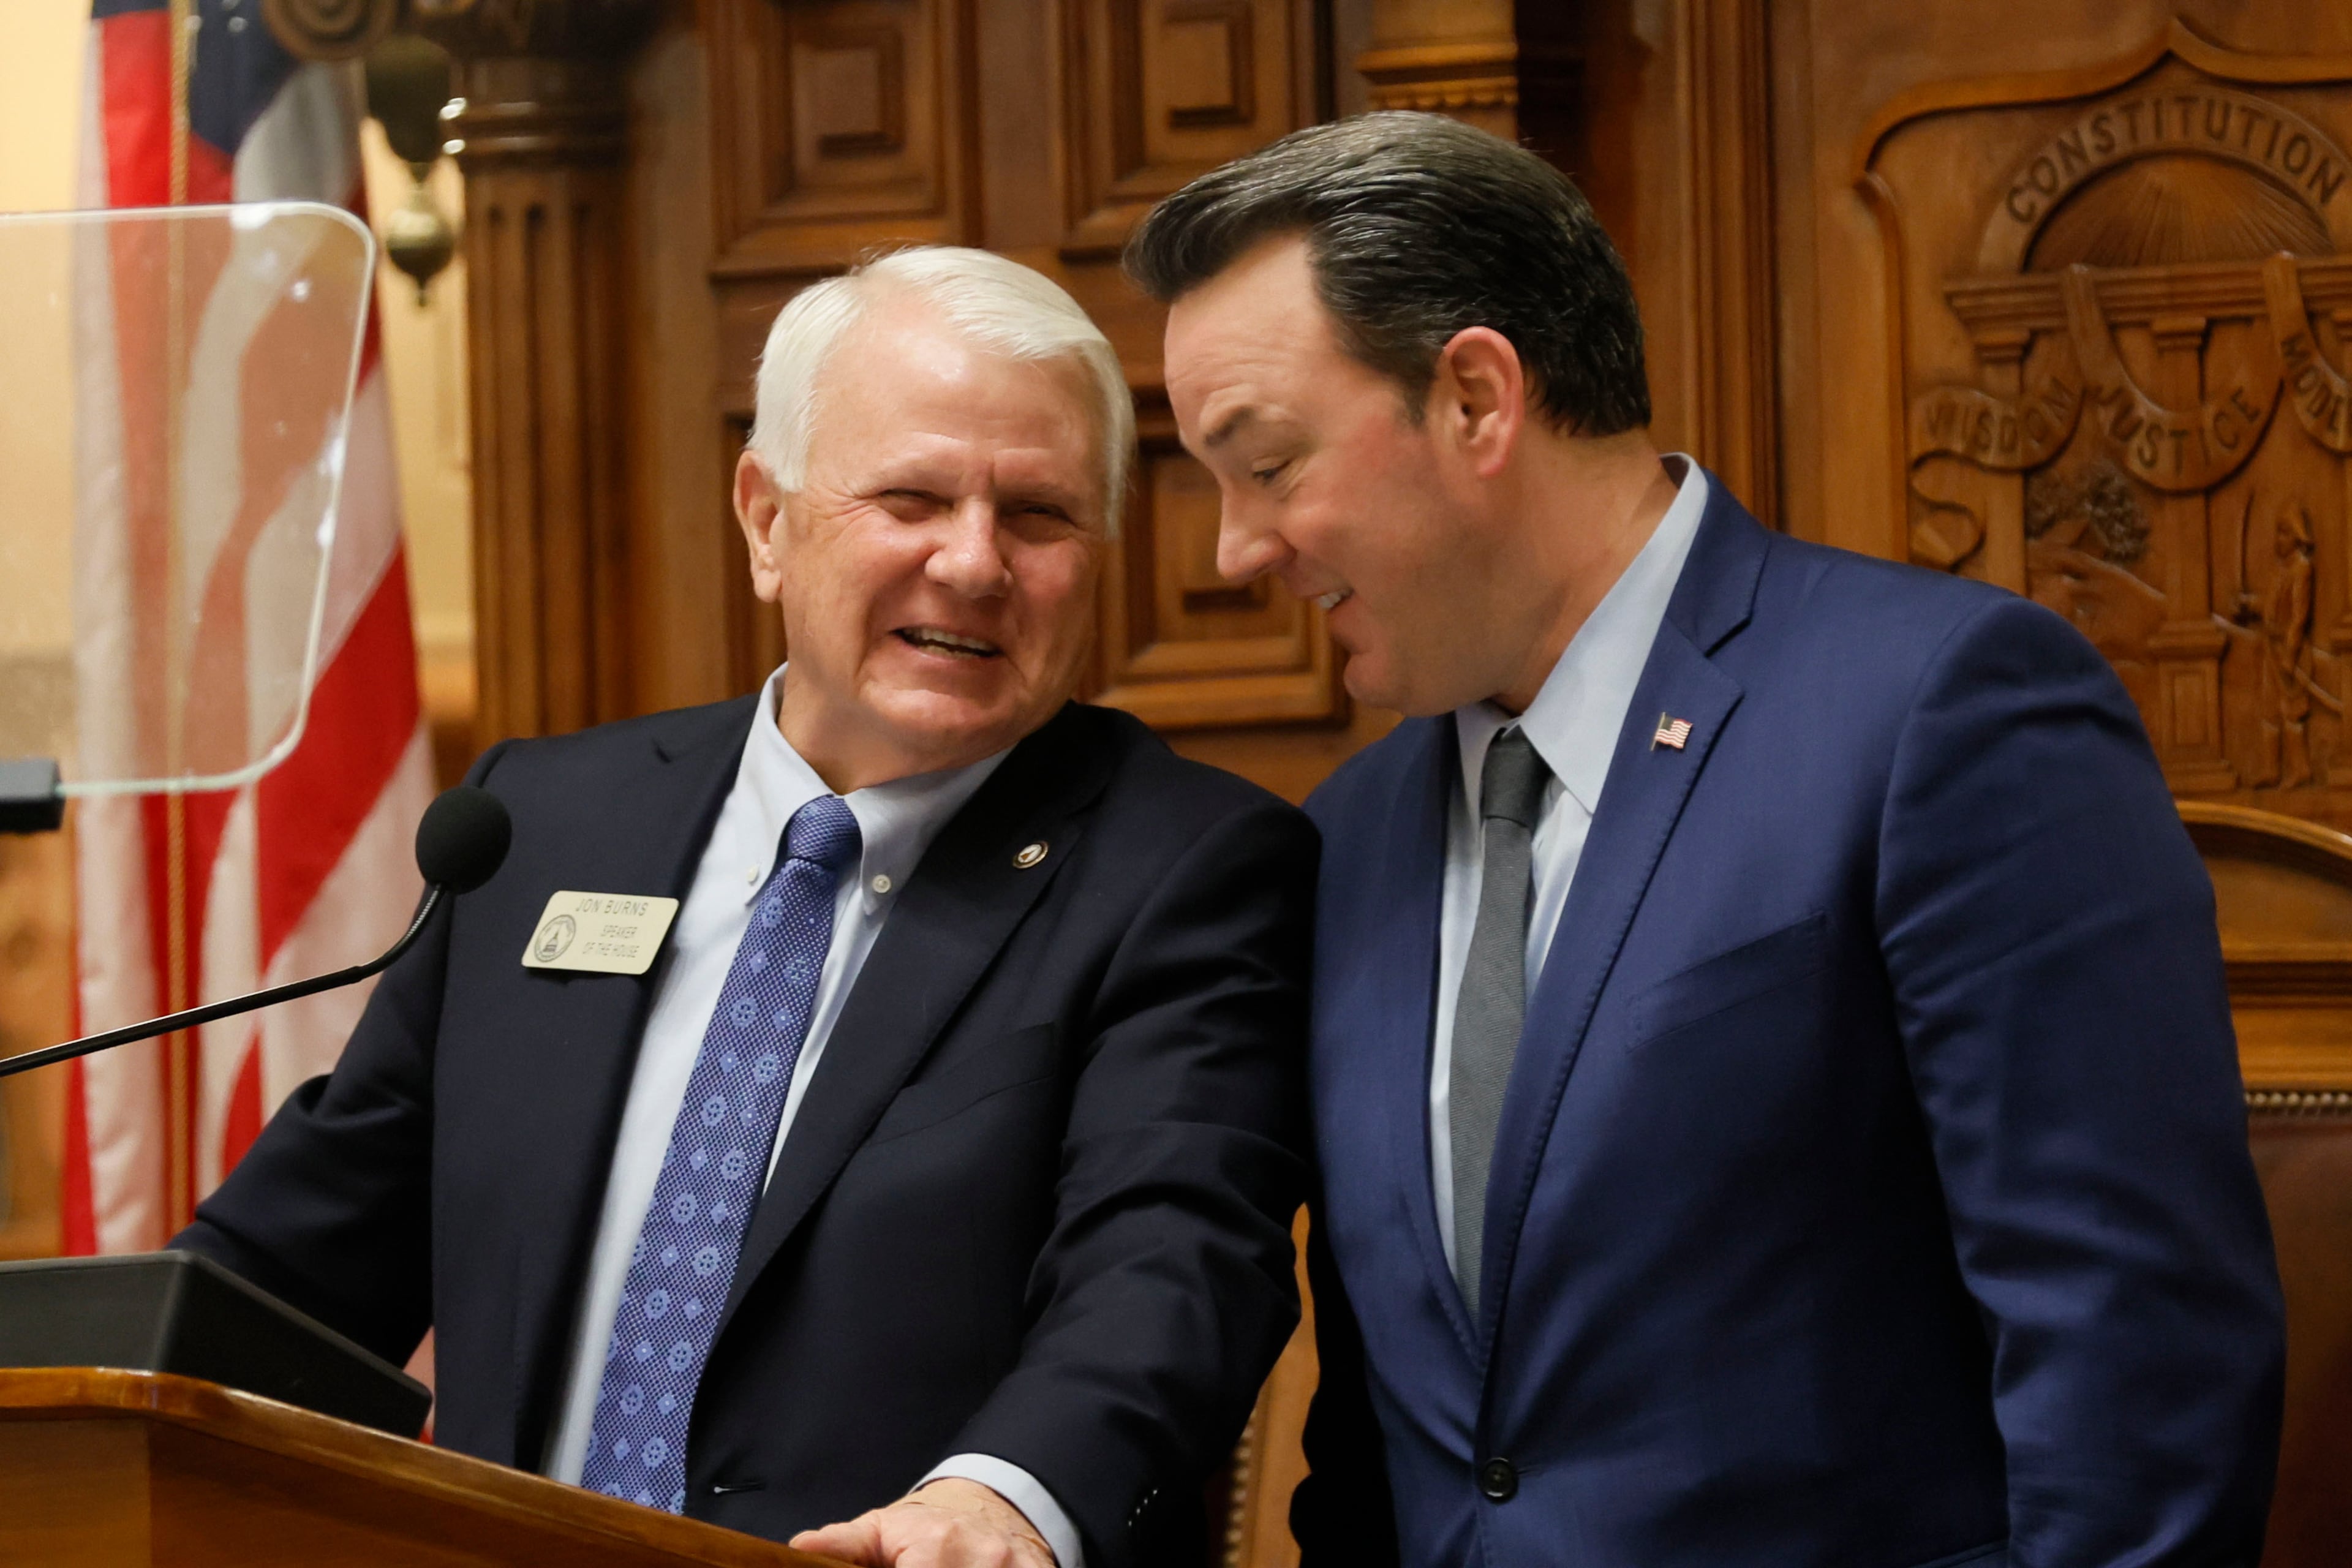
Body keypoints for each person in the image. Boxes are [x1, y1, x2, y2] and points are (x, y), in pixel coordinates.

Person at [1128, 112, 2285, 1568]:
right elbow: (1393, 1445)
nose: (1233, 549)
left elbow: (2138, 1381)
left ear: (1476, 399)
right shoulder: (1347, 835)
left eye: (1269, 464)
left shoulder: (1941, 710)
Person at [176, 246, 1315, 1568]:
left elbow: (1171, 1256)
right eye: (912, 497)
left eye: (1042, 515)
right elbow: (297, 1270)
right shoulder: (538, 828)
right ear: (767, 520)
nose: (973, 562)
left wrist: (1001, 1499)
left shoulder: (1186, 869)